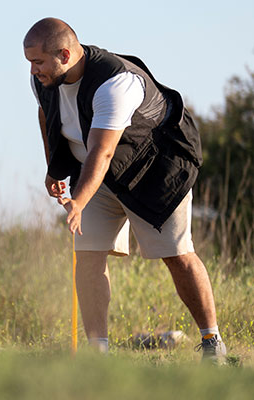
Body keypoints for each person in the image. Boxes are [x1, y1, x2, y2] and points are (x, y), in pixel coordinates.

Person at [24, 17, 226, 361]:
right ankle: (97, 356)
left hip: (153, 173)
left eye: (38, 61)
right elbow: (47, 116)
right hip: (99, 177)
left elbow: (102, 152)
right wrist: (53, 169)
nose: (33, 70)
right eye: (29, 62)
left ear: (64, 53)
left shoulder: (115, 84)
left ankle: (212, 342)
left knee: (177, 255)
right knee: (87, 256)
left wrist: (77, 202)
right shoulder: (42, 79)